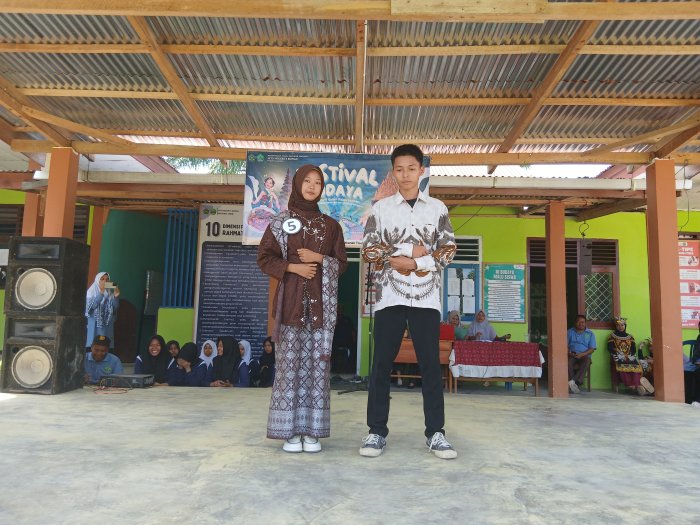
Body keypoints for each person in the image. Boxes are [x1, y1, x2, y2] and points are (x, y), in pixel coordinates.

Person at [360, 144, 457, 460]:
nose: (405, 175)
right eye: (399, 169)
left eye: (411, 168)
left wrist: (417, 262)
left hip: (427, 299)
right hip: (389, 297)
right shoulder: (381, 209)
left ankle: (436, 433)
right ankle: (376, 432)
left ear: (421, 171)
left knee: (431, 366)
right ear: (393, 172)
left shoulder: (437, 208)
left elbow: (448, 250)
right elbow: (369, 249)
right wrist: (406, 250)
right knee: (381, 365)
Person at [257, 164, 347, 453]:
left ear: (322, 189)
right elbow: (264, 258)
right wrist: (293, 267)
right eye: (306, 181)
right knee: (289, 369)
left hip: (320, 311)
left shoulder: (331, 226)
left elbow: (341, 264)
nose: (311, 186)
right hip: (291, 308)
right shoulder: (280, 222)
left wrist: (318, 258)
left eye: (317, 182)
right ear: (297, 184)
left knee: (316, 370)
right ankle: (290, 432)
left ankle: (312, 432)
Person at [607, 318, 654, 396]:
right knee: (622, 364)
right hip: (618, 355)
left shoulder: (630, 337)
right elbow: (610, 348)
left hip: (629, 355)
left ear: (625, 326)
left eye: (622, 325)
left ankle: (637, 385)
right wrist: (619, 354)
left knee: (636, 364)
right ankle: (631, 386)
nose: (620, 327)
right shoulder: (612, 336)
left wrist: (628, 356)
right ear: (616, 326)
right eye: (618, 325)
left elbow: (633, 349)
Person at [85, 272, 120, 350]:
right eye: (102, 279)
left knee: (106, 345)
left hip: (107, 323)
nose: (105, 281)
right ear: (98, 280)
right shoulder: (91, 291)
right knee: (93, 344)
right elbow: (91, 308)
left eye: (107, 279)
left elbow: (115, 307)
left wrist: (116, 296)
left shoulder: (110, 290)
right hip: (95, 323)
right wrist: (101, 292)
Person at [567, 314, 596, 393]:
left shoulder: (590, 333)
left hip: (584, 355)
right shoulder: (569, 332)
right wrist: (569, 353)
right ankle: (574, 384)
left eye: (583, 322)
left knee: (587, 361)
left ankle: (574, 382)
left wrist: (582, 354)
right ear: (575, 323)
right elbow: (565, 345)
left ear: (585, 323)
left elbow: (592, 349)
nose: (581, 324)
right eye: (579, 322)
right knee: (568, 363)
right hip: (572, 354)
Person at [331, 304, 356, 373]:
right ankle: (334, 368)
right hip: (336, 341)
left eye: (341, 308)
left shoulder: (347, 319)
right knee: (332, 351)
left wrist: (354, 341)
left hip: (347, 341)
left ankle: (349, 368)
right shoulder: (333, 318)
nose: (340, 310)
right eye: (338, 308)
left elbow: (353, 331)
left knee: (354, 350)